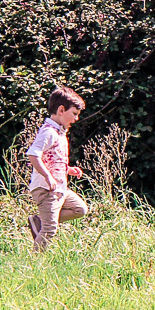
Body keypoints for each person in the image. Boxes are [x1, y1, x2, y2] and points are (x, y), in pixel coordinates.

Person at [26, 86, 87, 251]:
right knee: (49, 229)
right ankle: (35, 263)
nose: (76, 119)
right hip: (46, 188)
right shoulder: (48, 133)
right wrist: (48, 177)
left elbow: (52, 159)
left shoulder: (59, 133)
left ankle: (39, 221)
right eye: (74, 114)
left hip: (59, 187)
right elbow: (33, 155)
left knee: (79, 209)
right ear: (61, 110)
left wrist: (68, 169)